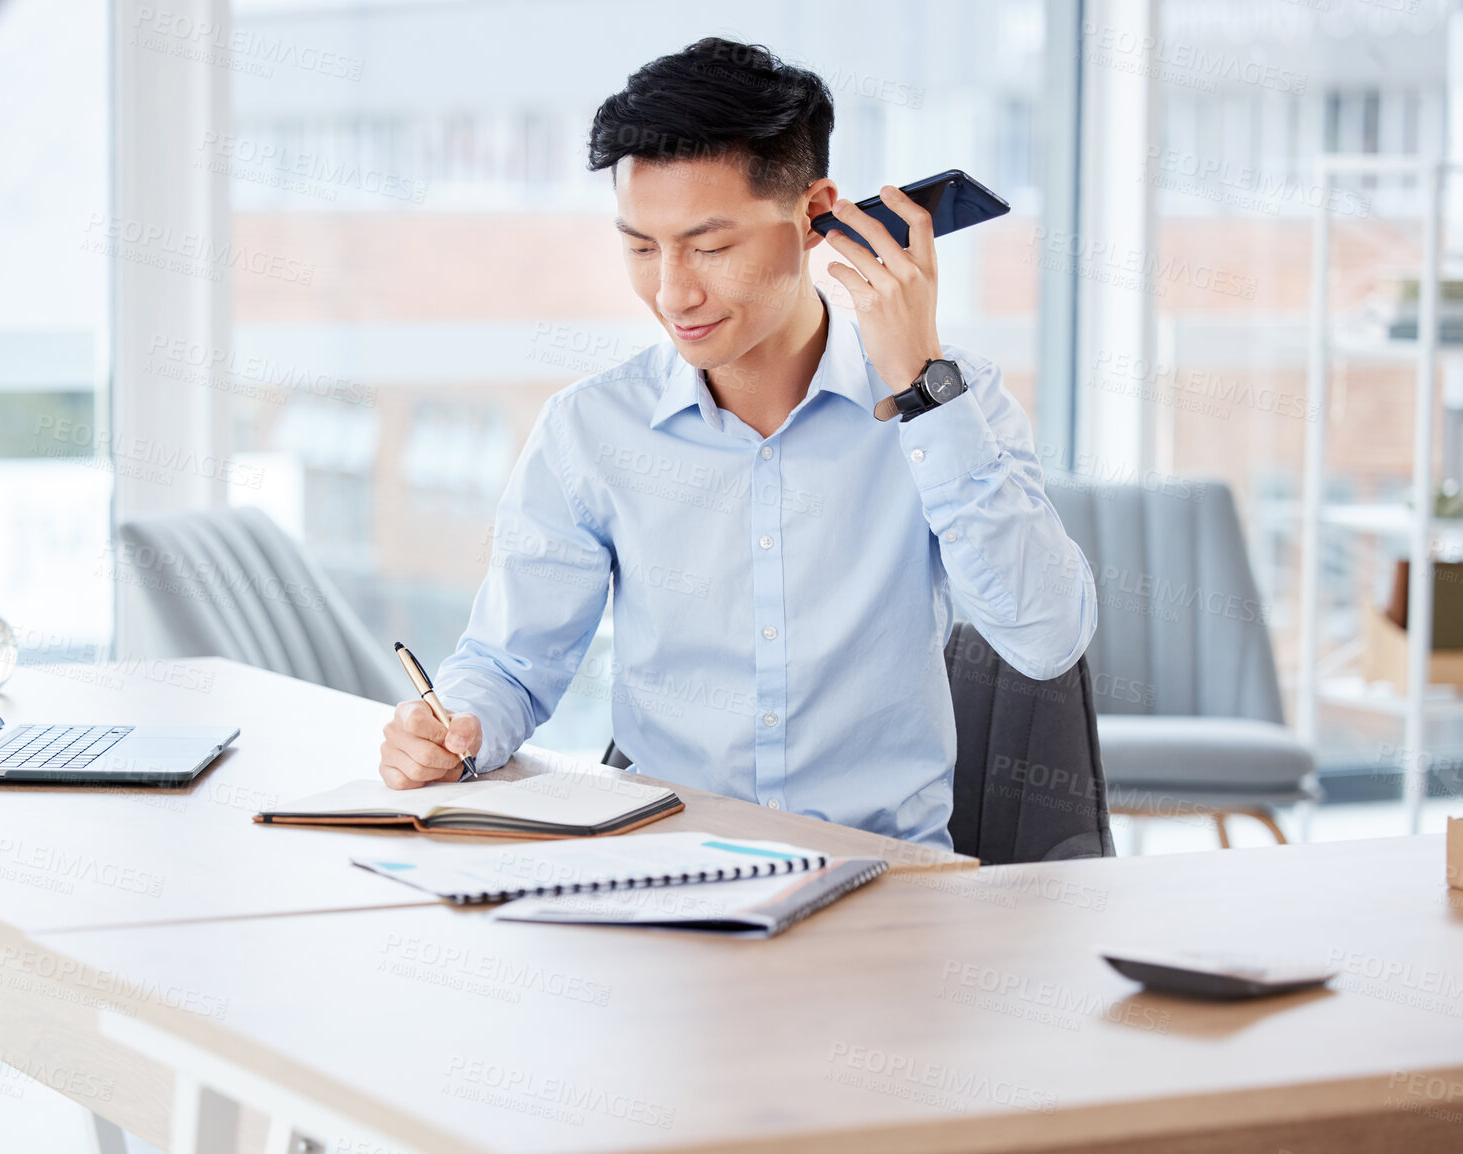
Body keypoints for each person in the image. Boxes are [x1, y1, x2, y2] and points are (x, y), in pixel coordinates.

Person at [376, 37, 1096, 848]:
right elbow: (510, 665)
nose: (671, 291)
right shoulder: (591, 429)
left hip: (889, 889)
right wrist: (454, 729)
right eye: (641, 247)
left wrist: (925, 388)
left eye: (711, 247)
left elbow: (1044, 640)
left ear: (814, 215)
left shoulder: (953, 402)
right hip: (665, 881)